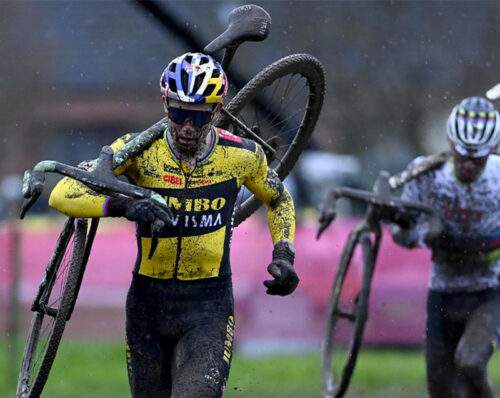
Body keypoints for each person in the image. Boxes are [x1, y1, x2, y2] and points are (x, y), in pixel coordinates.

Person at [48, 52, 299, 398]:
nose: (186, 128)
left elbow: (279, 198)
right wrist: (122, 206)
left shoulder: (242, 156)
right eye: (178, 113)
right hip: (147, 305)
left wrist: (284, 252)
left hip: (208, 306)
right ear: (165, 105)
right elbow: (62, 193)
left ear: (216, 111)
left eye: (197, 117)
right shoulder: (138, 151)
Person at [391, 96, 500, 398]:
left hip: (490, 290)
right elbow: (400, 232)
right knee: (440, 390)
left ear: (493, 149)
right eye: (462, 155)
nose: (467, 165)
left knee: (470, 361)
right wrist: (420, 231)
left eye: (477, 159)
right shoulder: (425, 174)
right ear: (450, 142)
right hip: (443, 290)